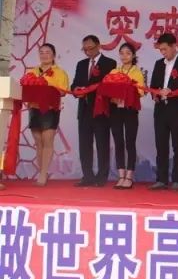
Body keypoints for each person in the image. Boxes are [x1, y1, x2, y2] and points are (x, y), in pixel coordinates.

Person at [148, 33, 178, 191]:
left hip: (177, 108)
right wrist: (155, 94)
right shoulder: (158, 64)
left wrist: (171, 90)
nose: (163, 53)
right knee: (161, 145)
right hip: (161, 108)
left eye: (165, 49)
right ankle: (161, 179)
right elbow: (153, 85)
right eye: (160, 50)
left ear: (174, 46)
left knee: (177, 144)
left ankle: (177, 179)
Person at [71, 35, 116, 187]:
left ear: (98, 46)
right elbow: (75, 84)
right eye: (85, 49)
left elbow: (109, 86)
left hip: (101, 110)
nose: (88, 52)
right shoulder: (81, 64)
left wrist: (91, 90)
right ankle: (87, 176)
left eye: (90, 48)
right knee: (84, 144)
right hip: (84, 109)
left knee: (102, 144)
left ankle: (101, 177)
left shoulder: (110, 63)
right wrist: (76, 89)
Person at [28, 44, 69, 186]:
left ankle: (43, 173)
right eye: (41, 52)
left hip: (51, 109)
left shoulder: (60, 72)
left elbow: (63, 91)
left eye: (48, 52)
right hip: (34, 108)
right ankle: (42, 172)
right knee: (38, 142)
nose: (44, 55)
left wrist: (48, 88)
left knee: (47, 140)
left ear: (53, 55)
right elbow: (26, 88)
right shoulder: (33, 71)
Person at [110, 43, 145, 190]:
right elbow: (107, 89)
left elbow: (141, 92)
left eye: (128, 53)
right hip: (115, 111)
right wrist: (112, 96)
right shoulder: (114, 71)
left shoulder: (137, 72)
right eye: (122, 53)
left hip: (130, 110)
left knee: (130, 142)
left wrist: (127, 93)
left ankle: (129, 176)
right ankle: (121, 175)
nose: (124, 56)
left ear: (133, 56)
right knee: (118, 142)